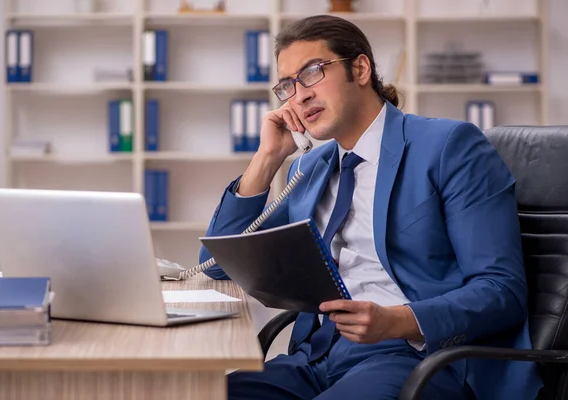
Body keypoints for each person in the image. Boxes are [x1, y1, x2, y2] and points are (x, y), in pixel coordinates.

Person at [199, 14, 542, 400]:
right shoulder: (309, 168)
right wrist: (266, 159)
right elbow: (216, 264)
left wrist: (399, 321)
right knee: (196, 393)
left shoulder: (448, 146)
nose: (301, 95)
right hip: (317, 357)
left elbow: (502, 291)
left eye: (312, 72)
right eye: (288, 85)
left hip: (414, 358)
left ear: (360, 68)